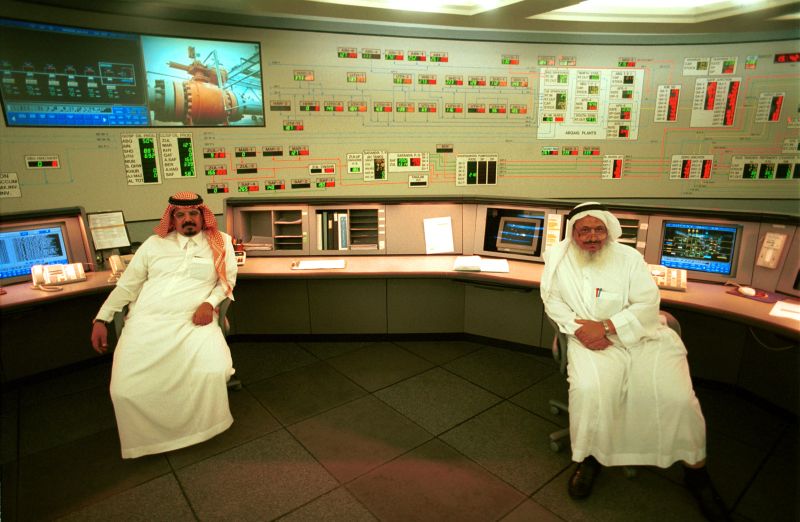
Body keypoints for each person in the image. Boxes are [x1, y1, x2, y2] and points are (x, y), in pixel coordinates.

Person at [540, 202, 730, 521]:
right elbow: (553, 302)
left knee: (678, 399)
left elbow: (647, 303)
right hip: (588, 338)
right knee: (590, 392)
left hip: (642, 336)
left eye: (599, 229)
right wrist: (581, 330)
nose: (592, 236)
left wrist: (606, 326)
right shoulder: (558, 260)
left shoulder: (629, 258)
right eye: (584, 230)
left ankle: (696, 473)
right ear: (573, 232)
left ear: (609, 231)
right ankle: (590, 459)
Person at [91, 191, 238, 459]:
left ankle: (204, 428)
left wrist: (209, 303)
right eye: (180, 215)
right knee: (125, 389)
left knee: (212, 371)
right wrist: (102, 318)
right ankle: (144, 441)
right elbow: (128, 285)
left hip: (194, 319)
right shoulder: (153, 244)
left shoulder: (220, 242)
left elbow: (226, 282)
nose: (188, 219)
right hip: (147, 320)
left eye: (193, 213)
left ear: (202, 215)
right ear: (171, 217)